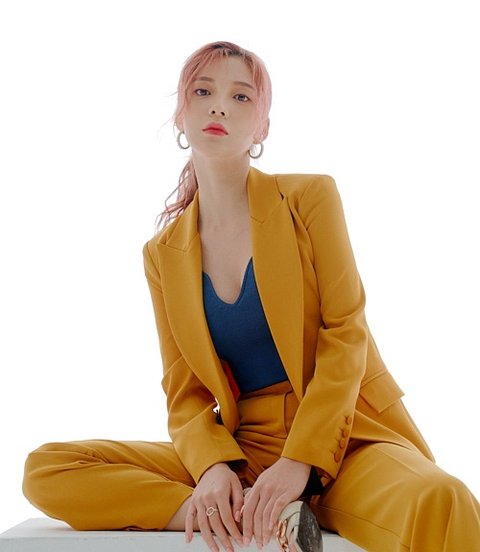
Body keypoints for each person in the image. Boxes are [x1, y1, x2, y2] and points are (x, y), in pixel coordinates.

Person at [23, 41, 480, 552]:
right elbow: (184, 388)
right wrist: (212, 468)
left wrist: (300, 460)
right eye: (203, 92)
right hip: (246, 449)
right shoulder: (162, 253)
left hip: (344, 435)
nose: (219, 106)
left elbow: (346, 332)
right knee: (49, 468)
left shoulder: (309, 198)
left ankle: (277, 502)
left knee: (443, 499)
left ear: (262, 128)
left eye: (240, 97)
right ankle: (241, 515)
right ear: (181, 114)